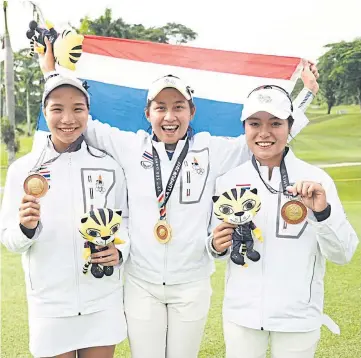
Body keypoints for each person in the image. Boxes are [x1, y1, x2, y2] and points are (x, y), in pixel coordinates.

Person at [39, 40, 319, 358]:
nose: (169, 116)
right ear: (148, 113)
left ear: (191, 111)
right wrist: (51, 73)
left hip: (191, 284)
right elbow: (82, 122)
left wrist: (305, 94)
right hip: (141, 283)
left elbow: (264, 138)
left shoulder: (210, 149)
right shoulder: (131, 146)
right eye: (160, 107)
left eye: (178, 107)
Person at [210, 85, 359, 358]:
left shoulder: (317, 180)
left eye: (275, 123)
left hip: (298, 317)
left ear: (290, 127)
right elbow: (214, 245)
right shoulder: (227, 181)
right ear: (244, 127)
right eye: (255, 123)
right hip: (241, 315)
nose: (264, 133)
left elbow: (343, 253)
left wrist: (322, 213)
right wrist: (215, 245)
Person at [0, 75, 129, 358]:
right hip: (50, 306)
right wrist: (26, 228)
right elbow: (9, 239)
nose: (67, 118)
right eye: (57, 108)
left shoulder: (109, 166)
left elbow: (125, 222)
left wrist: (119, 250)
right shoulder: (24, 169)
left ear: (88, 112)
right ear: (44, 111)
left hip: (102, 300)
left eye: (77, 108)